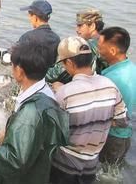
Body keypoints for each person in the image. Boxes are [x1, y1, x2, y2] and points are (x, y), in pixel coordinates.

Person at [0, 40, 69, 184]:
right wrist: (9, 132)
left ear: (19, 71)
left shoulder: (31, 112)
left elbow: (15, 160)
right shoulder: (47, 95)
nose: (11, 71)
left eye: (13, 67)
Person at [50, 36, 128, 184]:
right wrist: (97, 121)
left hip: (64, 166)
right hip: (91, 165)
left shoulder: (65, 93)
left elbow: (52, 132)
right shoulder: (110, 85)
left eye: (64, 64)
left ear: (70, 62)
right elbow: (122, 121)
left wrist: (59, 90)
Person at [0, 0, 60, 66]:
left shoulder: (29, 37)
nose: (29, 19)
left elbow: (8, 57)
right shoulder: (56, 39)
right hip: (44, 78)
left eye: (30, 15)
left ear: (35, 17)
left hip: (30, 77)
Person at [98, 27, 136, 164]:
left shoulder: (111, 79)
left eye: (100, 47)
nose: (98, 51)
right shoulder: (132, 69)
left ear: (113, 51)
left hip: (111, 137)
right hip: (125, 137)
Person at [75, 8, 109, 73]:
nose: (76, 29)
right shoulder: (109, 40)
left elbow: (58, 73)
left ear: (92, 26)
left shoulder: (87, 46)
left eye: (80, 25)